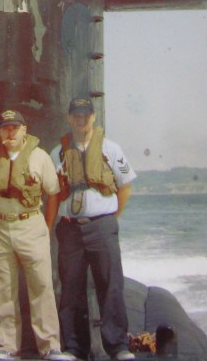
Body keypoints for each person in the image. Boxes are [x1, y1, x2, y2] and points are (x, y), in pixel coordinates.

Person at [50, 97, 136, 361]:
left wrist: (109, 218)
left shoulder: (111, 149)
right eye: (76, 114)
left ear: (93, 117)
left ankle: (118, 346)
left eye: (86, 114)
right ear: (69, 118)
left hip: (102, 226)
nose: (81, 119)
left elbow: (125, 186)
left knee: (110, 286)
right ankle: (74, 348)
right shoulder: (59, 153)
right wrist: (47, 227)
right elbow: (53, 194)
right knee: (71, 288)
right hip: (70, 229)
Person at [0, 110, 67, 361]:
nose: (10, 132)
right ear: (0, 131)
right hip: (0, 228)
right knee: (1, 289)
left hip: (31, 224)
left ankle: (50, 346)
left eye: (14, 128)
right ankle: (7, 346)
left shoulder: (39, 157)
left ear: (24, 130)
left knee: (41, 285)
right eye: (5, 128)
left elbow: (54, 193)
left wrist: (46, 228)